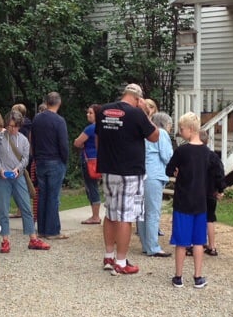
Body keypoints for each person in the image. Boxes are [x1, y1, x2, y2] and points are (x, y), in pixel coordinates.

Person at [97, 83, 159, 275]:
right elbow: (154, 136)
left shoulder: (103, 110)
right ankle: (121, 262)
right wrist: (146, 113)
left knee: (110, 213)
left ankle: (109, 256)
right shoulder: (136, 113)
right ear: (138, 98)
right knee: (126, 216)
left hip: (108, 168)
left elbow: (98, 137)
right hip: (129, 171)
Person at [0, 110, 49, 252]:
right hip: (1, 177)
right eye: (10, 126)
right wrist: (0, 170)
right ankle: (5, 239)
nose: (13, 129)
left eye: (15, 126)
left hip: (18, 176)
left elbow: (25, 159)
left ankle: (33, 238)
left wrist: (18, 169)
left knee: (26, 207)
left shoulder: (23, 139)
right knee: (3, 209)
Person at [165, 112, 213, 288]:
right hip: (200, 201)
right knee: (199, 241)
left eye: (181, 129)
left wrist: (177, 172)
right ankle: (198, 276)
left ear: (190, 130)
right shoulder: (207, 152)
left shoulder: (181, 151)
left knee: (181, 242)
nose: (180, 132)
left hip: (183, 200)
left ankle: (178, 276)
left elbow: (169, 169)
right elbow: (213, 172)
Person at [30, 92, 69, 241]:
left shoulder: (37, 119)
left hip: (40, 160)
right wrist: (65, 160)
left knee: (42, 195)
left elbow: (33, 140)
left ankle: (42, 229)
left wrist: (35, 157)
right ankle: (52, 230)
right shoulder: (59, 121)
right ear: (59, 103)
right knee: (53, 196)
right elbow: (63, 144)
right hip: (55, 159)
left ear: (46, 102)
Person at [139, 111, 173, 256]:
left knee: (142, 211)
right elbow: (166, 156)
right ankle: (153, 246)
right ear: (166, 124)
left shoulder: (144, 134)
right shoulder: (162, 134)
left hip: (141, 173)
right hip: (154, 174)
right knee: (153, 212)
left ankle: (146, 244)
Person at [72, 104, 103, 225]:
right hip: (100, 160)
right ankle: (96, 214)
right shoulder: (103, 127)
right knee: (94, 186)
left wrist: (81, 145)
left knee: (91, 187)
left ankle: (95, 216)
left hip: (89, 161)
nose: (88, 115)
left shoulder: (90, 128)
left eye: (91, 113)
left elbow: (77, 142)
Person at [199, 129, 227, 258]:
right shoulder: (213, 156)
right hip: (210, 192)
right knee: (210, 218)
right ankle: (212, 246)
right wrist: (220, 189)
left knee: (196, 218)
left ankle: (194, 244)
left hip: (196, 192)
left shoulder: (193, 155)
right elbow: (219, 174)